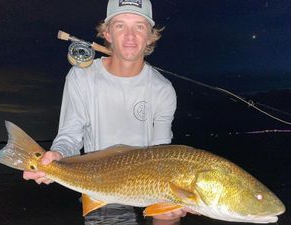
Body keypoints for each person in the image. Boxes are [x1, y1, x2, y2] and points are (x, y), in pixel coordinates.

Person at [23, 0, 187, 221]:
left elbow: (162, 152)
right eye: (120, 26)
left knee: (170, 215)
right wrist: (57, 156)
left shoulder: (163, 89)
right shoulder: (82, 77)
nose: (130, 36)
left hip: (151, 183)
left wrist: (179, 197)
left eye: (139, 26)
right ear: (107, 33)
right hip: (100, 183)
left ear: (150, 36)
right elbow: (70, 135)